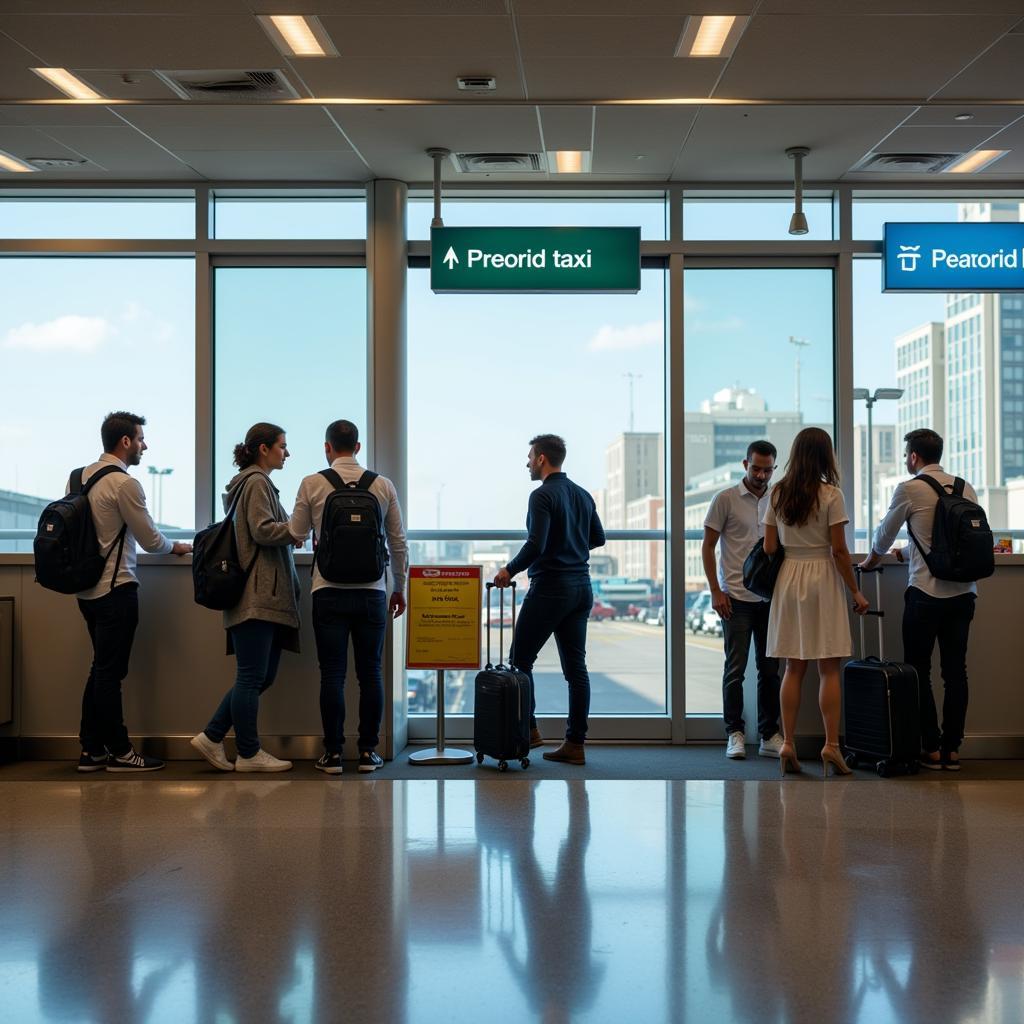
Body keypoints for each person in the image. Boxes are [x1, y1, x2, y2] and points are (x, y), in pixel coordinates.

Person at [73, 411, 192, 773]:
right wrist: (178, 548)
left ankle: (91, 750)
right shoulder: (125, 484)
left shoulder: (79, 477)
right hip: (116, 588)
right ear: (125, 442)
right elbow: (151, 539)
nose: (144, 445)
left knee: (100, 669)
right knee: (110, 673)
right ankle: (122, 752)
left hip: (86, 590)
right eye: (140, 439)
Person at [289, 419, 408, 775]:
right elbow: (398, 543)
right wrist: (398, 587)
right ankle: (369, 752)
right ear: (358, 447)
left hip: (328, 591)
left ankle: (333, 754)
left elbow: (295, 532)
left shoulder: (312, 483)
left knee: (333, 675)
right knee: (370, 673)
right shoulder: (383, 485)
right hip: (372, 592)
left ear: (328, 448)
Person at [859, 428, 979, 771]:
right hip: (964, 593)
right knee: (956, 673)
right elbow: (954, 539)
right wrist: (911, 551)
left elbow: (884, 533)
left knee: (918, 671)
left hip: (926, 594)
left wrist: (871, 560)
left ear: (914, 457)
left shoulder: (909, 489)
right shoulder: (964, 487)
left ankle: (930, 747)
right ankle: (952, 750)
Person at [191, 423, 300, 773]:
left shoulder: (251, 483)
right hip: (257, 595)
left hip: (258, 596)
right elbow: (262, 530)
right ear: (263, 449)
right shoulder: (256, 483)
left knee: (258, 676)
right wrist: (296, 529)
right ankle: (250, 753)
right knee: (252, 676)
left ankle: (212, 736)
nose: (287, 452)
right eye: (282, 446)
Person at [493, 434, 605, 766]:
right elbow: (597, 537)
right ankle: (574, 743)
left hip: (551, 588)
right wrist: (570, 543)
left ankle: (530, 730)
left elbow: (535, 544)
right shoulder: (583, 495)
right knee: (576, 669)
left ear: (542, 458)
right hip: (581, 587)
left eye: (530, 457)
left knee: (520, 661)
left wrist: (508, 571)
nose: (527, 463)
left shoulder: (541, 496)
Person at [763, 427, 869, 777]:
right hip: (822, 577)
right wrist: (855, 591)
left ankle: (788, 743)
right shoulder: (831, 494)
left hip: (789, 577)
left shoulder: (777, 492)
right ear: (825, 456)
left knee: (793, 667)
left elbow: (769, 548)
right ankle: (831, 746)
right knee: (828, 668)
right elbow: (839, 550)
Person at [702, 439, 783, 760]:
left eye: (768, 470)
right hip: (734, 598)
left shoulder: (779, 499)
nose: (762, 475)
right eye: (756, 468)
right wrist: (715, 591)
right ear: (744, 464)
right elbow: (708, 547)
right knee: (735, 670)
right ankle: (734, 733)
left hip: (770, 599)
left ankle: (768, 734)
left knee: (770, 670)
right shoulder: (725, 499)